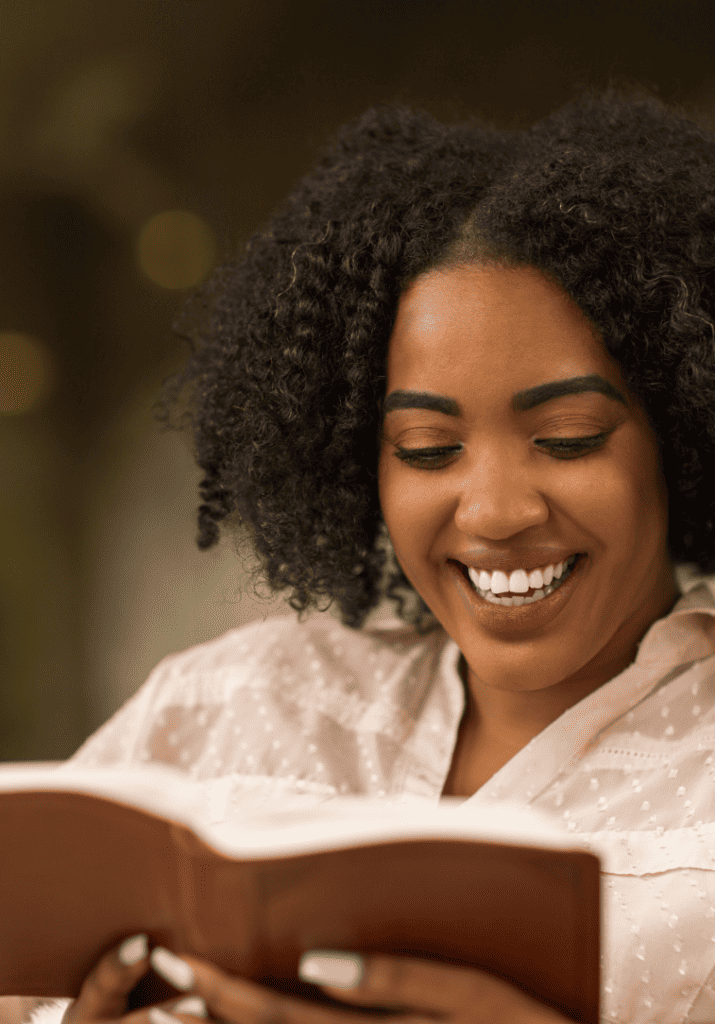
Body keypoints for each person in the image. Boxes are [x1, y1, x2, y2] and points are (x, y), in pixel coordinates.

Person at [16, 80, 715, 1024]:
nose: (496, 510)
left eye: (568, 435)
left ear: (676, 433)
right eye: (427, 450)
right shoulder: (225, 707)